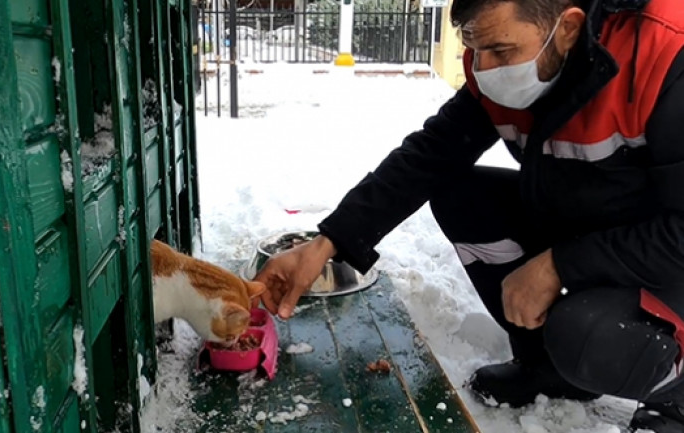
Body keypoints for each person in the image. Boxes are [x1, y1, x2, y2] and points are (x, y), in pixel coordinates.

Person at [253, 0, 684, 431]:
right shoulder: (518, 66)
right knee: (459, 193)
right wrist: (326, 245)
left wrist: (560, 265)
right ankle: (548, 367)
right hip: (597, 227)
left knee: (587, 334)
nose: (484, 68)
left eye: (500, 50)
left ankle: (676, 395)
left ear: (568, 28)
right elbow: (427, 158)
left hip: (668, 257)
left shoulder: (664, 52)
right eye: (474, 47)